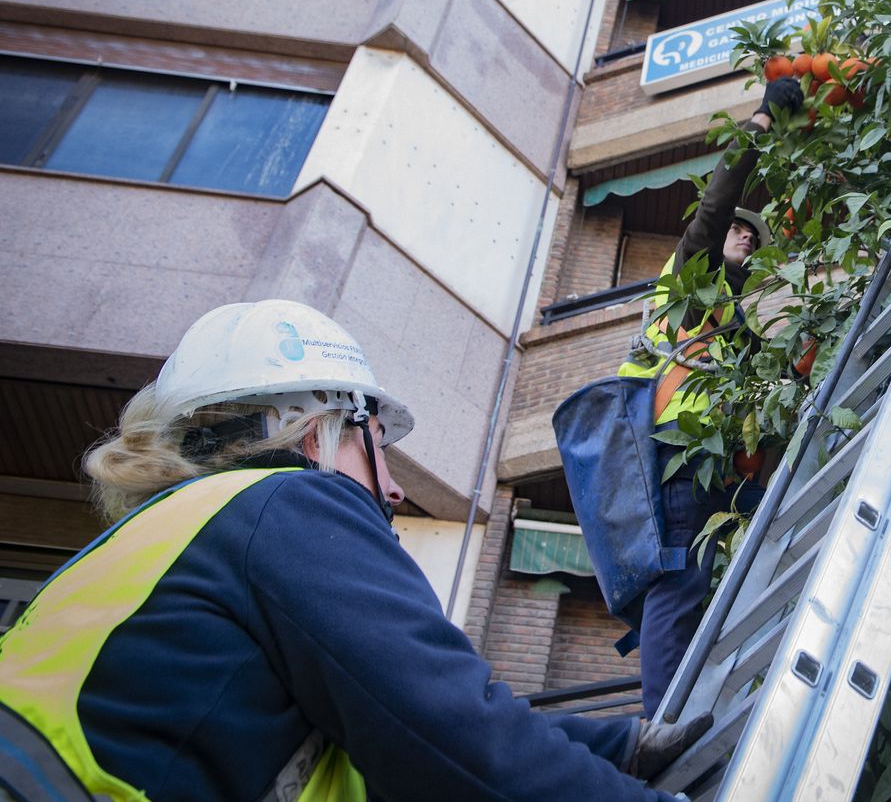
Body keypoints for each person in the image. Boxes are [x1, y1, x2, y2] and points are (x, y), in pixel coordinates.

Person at [0, 299, 705, 802]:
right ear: (317, 432)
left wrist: (620, 747)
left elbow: (396, 724)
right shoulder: (287, 504)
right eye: (380, 449)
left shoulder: (148, 548)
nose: (394, 490)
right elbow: (449, 738)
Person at [616, 75, 804, 717]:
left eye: (755, 237)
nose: (746, 236)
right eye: (739, 230)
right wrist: (761, 122)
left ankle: (691, 695)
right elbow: (718, 201)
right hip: (674, 451)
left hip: (715, 470)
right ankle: (661, 718)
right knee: (683, 573)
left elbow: (778, 386)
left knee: (779, 515)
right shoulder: (689, 278)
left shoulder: (732, 320)